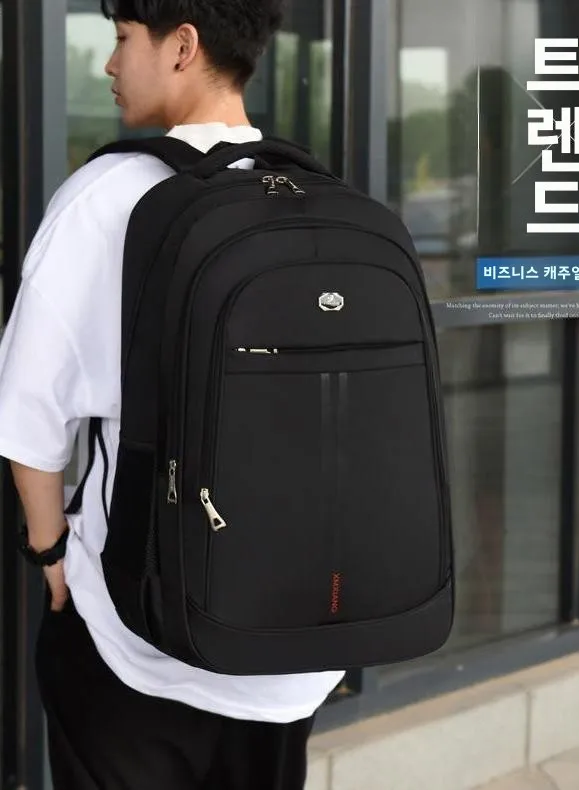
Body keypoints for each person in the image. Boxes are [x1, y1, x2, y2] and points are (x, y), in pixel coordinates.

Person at [0, 1, 345, 787]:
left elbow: (26, 419)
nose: (109, 64)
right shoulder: (311, 193)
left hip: (138, 645)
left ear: (182, 46)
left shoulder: (106, 196)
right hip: (291, 655)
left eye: (124, 39)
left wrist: (51, 555)